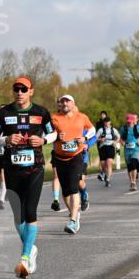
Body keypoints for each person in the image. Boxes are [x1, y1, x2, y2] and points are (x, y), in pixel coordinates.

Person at [0, 76, 55, 279]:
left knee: (30, 211)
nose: (19, 92)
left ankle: (25, 257)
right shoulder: (3, 113)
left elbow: (54, 134)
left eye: (23, 89)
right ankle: (31, 249)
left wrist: (42, 139)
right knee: (18, 215)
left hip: (35, 168)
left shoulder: (41, 112)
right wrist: (6, 139)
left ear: (31, 91)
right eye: (16, 88)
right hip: (12, 169)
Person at [50, 94, 95, 234]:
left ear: (72, 103)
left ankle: (73, 221)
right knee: (66, 191)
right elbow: (46, 134)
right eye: (62, 101)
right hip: (60, 158)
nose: (64, 103)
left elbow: (92, 129)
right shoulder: (54, 118)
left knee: (74, 187)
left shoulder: (81, 117)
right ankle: (74, 214)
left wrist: (85, 137)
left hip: (76, 156)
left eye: (67, 101)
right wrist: (56, 137)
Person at [120, 114, 139, 191]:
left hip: (136, 148)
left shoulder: (137, 128)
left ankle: (134, 182)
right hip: (127, 150)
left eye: (130, 121)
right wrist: (122, 142)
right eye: (128, 122)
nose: (129, 123)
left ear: (133, 121)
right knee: (129, 167)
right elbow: (121, 138)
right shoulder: (123, 128)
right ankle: (131, 181)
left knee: (133, 163)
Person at [95, 118, 120, 186]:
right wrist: (100, 139)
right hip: (103, 147)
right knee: (103, 165)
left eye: (107, 122)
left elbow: (118, 137)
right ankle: (105, 174)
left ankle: (108, 180)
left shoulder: (113, 130)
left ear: (110, 122)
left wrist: (115, 142)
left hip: (111, 147)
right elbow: (95, 138)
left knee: (108, 163)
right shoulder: (101, 130)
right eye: (105, 122)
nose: (106, 123)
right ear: (104, 123)